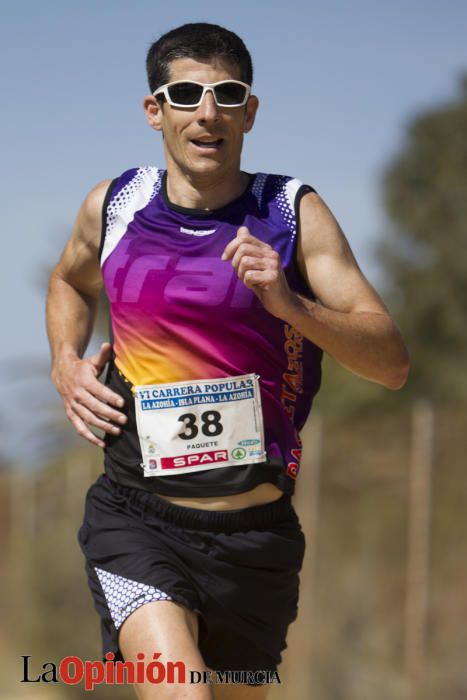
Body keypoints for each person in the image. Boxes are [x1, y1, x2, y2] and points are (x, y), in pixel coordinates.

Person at [46, 22, 409, 700]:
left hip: (255, 538)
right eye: (186, 94)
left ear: (249, 110)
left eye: (226, 94)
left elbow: (390, 363)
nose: (206, 112)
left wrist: (290, 303)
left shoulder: (291, 213)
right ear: (156, 110)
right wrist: (65, 361)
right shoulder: (116, 205)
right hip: (137, 519)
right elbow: (70, 280)